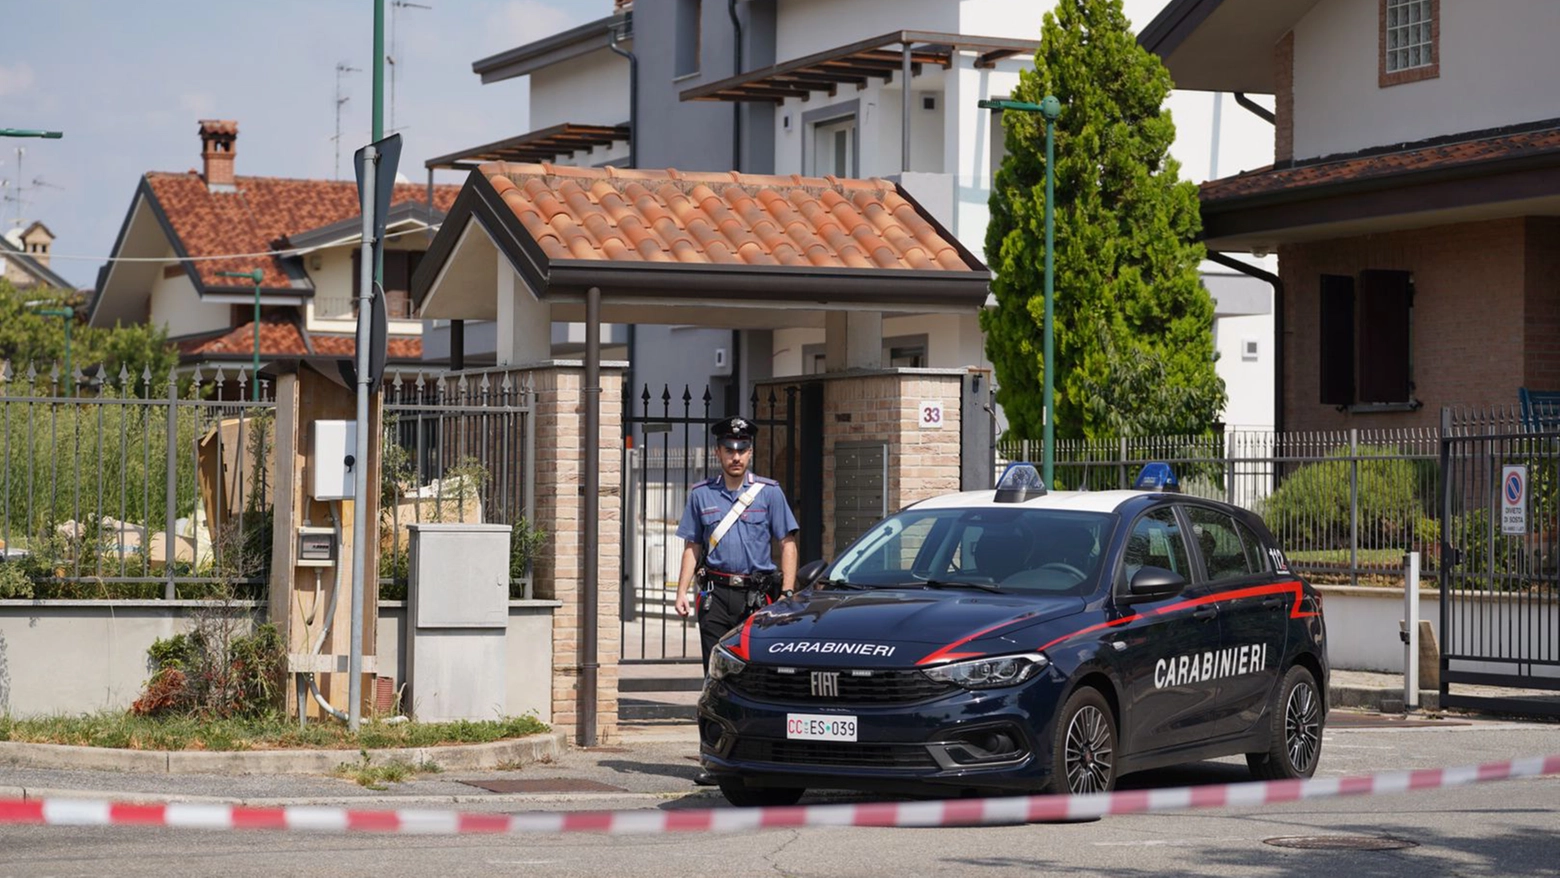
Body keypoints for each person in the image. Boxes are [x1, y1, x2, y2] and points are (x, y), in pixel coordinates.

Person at [674, 414, 799, 785]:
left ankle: (764, 755)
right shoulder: (701, 495)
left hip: (757, 598)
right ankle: (714, 759)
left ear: (751, 452)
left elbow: (787, 543)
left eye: (742, 449)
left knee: (758, 678)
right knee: (716, 679)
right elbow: (692, 547)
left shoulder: (769, 493)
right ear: (718, 452)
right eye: (729, 449)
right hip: (716, 596)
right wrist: (681, 591)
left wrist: (788, 594)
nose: (736, 456)